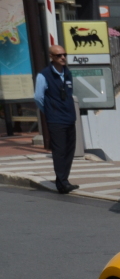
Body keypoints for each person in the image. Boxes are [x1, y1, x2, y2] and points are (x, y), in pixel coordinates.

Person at [33, 45, 79, 194]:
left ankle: (63, 181)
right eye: (59, 55)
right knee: (59, 151)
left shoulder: (67, 73)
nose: (63, 57)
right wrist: (49, 112)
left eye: (64, 54)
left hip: (69, 117)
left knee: (69, 150)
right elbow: (38, 97)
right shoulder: (44, 75)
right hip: (56, 119)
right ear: (52, 57)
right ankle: (63, 182)